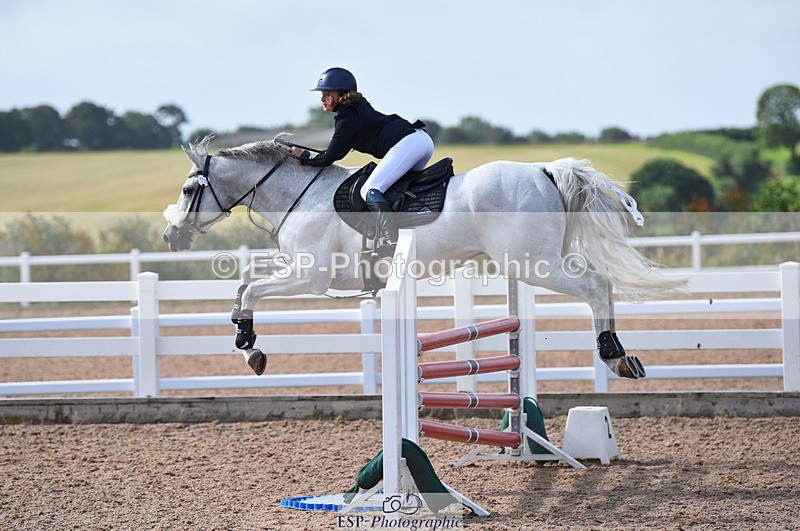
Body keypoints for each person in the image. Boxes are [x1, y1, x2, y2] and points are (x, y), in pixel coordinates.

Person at [291, 67, 434, 258]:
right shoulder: (356, 107)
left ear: (341, 95)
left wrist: (303, 156)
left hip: (409, 142)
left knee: (370, 189)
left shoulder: (347, 116)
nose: (322, 99)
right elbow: (338, 153)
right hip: (419, 140)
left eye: (327, 94)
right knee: (396, 188)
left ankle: (392, 242)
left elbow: (328, 158)